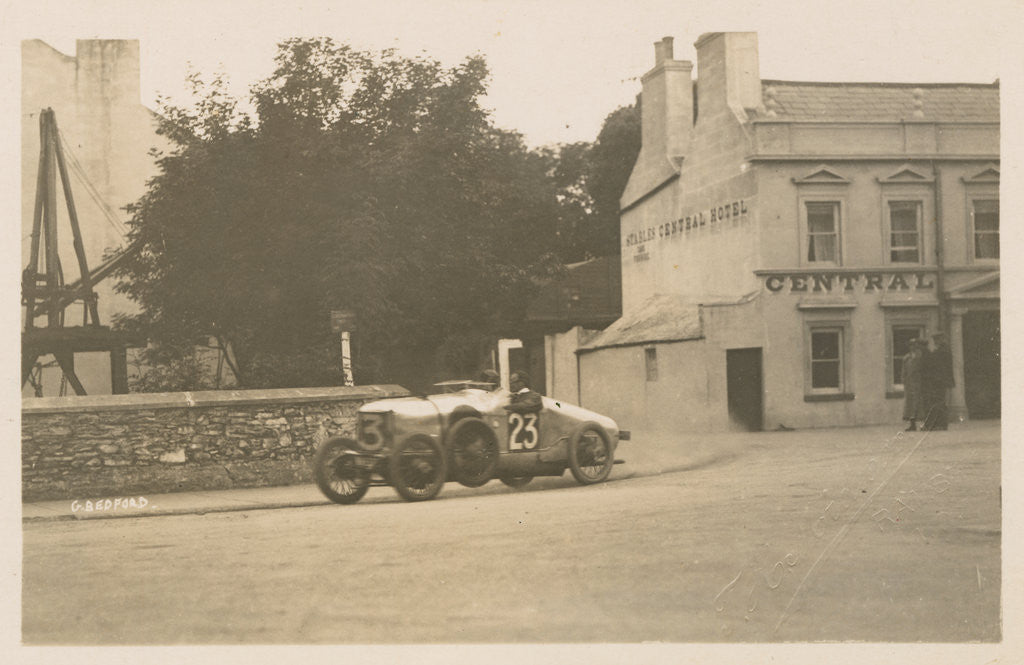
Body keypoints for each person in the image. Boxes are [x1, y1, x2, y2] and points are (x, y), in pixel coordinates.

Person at [921, 332, 955, 431]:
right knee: (939, 402)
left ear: (941, 340)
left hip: (940, 381)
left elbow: (940, 366)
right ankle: (940, 424)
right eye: (935, 340)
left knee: (939, 402)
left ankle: (941, 425)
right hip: (940, 380)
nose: (935, 342)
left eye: (937, 340)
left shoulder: (943, 351)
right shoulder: (943, 350)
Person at [900, 338, 926, 431]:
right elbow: (904, 371)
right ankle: (912, 424)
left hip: (919, 383)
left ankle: (923, 424)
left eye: (914, 345)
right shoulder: (906, 358)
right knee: (910, 405)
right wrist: (904, 380)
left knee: (919, 404)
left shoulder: (920, 356)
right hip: (909, 384)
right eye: (910, 345)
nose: (912, 347)